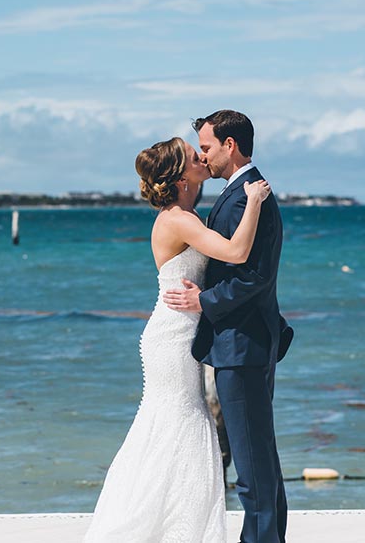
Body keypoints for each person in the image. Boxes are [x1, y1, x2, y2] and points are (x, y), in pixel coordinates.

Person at [84, 135, 272, 542]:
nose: (201, 157)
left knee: (175, 427)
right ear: (181, 176)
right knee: (179, 425)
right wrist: (254, 200)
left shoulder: (186, 214)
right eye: (193, 156)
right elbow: (236, 252)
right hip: (172, 337)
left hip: (180, 329)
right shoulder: (178, 219)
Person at [163, 110, 294, 543]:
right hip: (248, 340)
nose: (203, 155)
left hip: (243, 344)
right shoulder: (239, 193)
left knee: (252, 467)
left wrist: (204, 300)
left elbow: (252, 275)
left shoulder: (243, 197)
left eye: (206, 147)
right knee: (260, 457)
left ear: (230, 146)